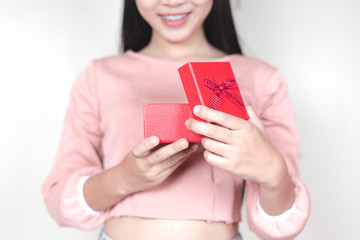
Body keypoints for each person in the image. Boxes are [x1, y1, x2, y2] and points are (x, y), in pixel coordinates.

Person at [42, 0, 310, 239]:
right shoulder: (99, 76)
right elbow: (59, 198)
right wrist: (124, 178)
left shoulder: (262, 80)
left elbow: (280, 228)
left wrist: (273, 174)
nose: (172, 2)